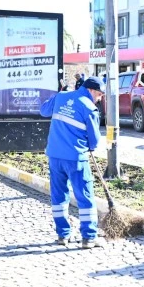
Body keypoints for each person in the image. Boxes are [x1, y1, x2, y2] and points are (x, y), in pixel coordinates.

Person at [40, 77, 106, 249]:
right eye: (99, 95)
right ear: (91, 90)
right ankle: (89, 238)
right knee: (85, 197)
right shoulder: (89, 107)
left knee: (59, 196)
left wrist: (57, 94)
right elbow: (95, 140)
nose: (99, 99)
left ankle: (63, 235)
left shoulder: (61, 96)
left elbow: (44, 111)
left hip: (54, 156)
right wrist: (89, 147)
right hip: (76, 158)